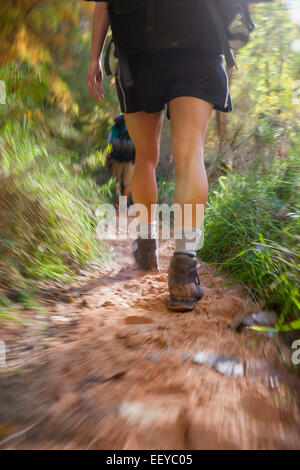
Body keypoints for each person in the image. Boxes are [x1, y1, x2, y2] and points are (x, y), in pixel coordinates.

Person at [85, 0, 233, 312]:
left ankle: (146, 243)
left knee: (146, 157)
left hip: (138, 53)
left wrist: (94, 60)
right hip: (198, 40)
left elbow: (104, 4)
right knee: (190, 151)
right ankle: (184, 267)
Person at [107, 114, 135, 208]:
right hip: (130, 160)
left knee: (116, 181)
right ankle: (123, 204)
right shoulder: (134, 127)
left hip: (116, 159)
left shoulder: (115, 128)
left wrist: (108, 159)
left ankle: (118, 199)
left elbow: (109, 144)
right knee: (128, 183)